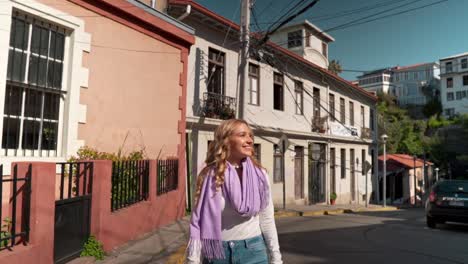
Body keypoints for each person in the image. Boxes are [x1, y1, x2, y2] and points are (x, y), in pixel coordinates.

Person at [187, 119, 283, 264]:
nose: (249, 140)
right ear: (226, 140)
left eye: (250, 135)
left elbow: (267, 218)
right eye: (242, 135)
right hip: (217, 254)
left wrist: (276, 258)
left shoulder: (260, 175)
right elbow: (199, 222)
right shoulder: (209, 176)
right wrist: (192, 260)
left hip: (253, 251)